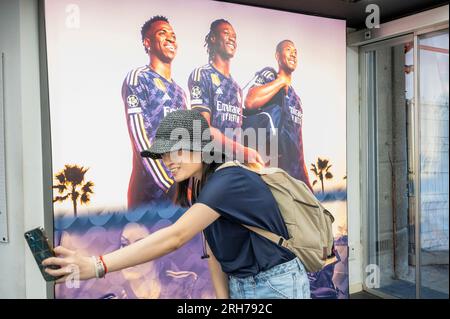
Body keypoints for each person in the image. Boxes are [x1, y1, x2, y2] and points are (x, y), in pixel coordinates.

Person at [43, 110, 310, 299]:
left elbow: (175, 237)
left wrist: (97, 265)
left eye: (178, 150)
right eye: (164, 154)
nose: (168, 160)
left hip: (275, 284)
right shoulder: (203, 185)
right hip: (243, 283)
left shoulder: (228, 180)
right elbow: (216, 252)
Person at [122, 15, 187, 208]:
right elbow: (140, 139)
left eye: (173, 35)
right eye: (162, 33)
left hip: (179, 194)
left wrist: (187, 183)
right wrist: (169, 184)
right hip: (149, 198)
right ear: (147, 42)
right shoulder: (138, 78)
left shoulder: (180, 92)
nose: (170, 38)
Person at [188, 19, 263, 166]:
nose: (232, 38)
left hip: (234, 167)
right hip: (210, 167)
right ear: (213, 38)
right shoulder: (202, 74)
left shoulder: (237, 88)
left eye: (234, 36)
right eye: (226, 33)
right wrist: (242, 151)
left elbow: (238, 134)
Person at [243, 40, 312, 190]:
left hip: (294, 176)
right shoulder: (270, 75)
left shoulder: (296, 99)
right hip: (270, 173)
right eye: (288, 49)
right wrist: (281, 81)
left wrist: (307, 184)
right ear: (278, 56)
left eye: (295, 51)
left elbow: (299, 148)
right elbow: (250, 101)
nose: (293, 53)